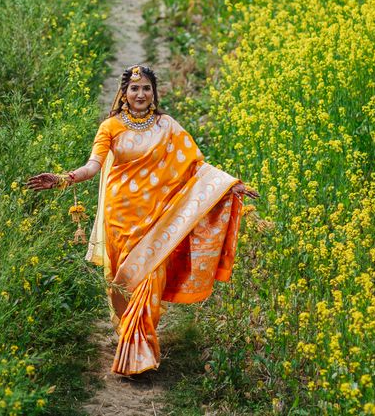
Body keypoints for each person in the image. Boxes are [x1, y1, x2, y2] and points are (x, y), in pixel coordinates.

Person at [26, 64, 260, 376]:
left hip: (157, 217)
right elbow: (93, 166)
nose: (140, 93)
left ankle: (142, 349)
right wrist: (62, 179)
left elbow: (195, 166)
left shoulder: (168, 126)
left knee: (150, 277)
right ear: (124, 93)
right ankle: (129, 334)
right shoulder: (110, 127)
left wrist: (231, 185)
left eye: (146, 88)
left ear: (153, 93)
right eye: (134, 88)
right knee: (122, 281)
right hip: (120, 215)